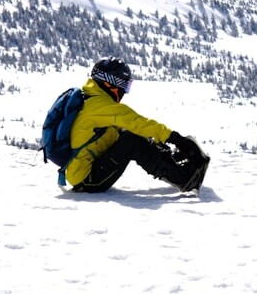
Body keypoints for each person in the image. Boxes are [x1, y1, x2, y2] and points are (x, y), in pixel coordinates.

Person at [64, 57, 208, 193]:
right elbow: (138, 123)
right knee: (133, 141)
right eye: (124, 85)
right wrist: (175, 138)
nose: (124, 91)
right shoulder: (101, 106)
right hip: (87, 180)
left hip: (82, 172)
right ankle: (182, 178)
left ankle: (171, 162)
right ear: (112, 83)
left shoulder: (91, 99)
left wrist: (159, 144)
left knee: (131, 134)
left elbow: (129, 128)